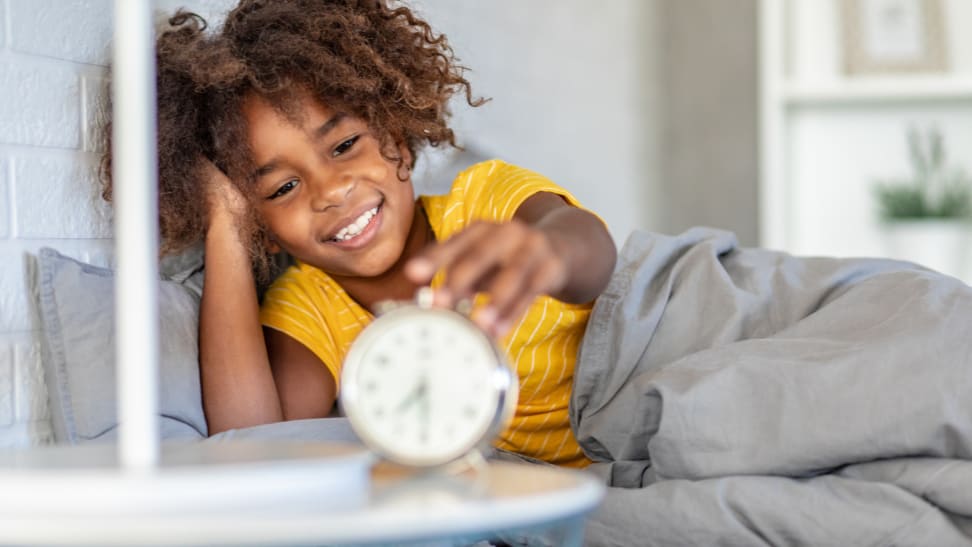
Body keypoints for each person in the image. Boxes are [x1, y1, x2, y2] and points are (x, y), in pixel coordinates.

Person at [101, 0, 616, 469]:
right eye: (282, 188)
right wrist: (229, 224)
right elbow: (255, 443)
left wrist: (549, 252)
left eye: (344, 144)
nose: (330, 190)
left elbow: (594, 256)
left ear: (398, 135)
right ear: (268, 233)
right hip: (510, 495)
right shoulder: (308, 306)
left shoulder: (487, 200)